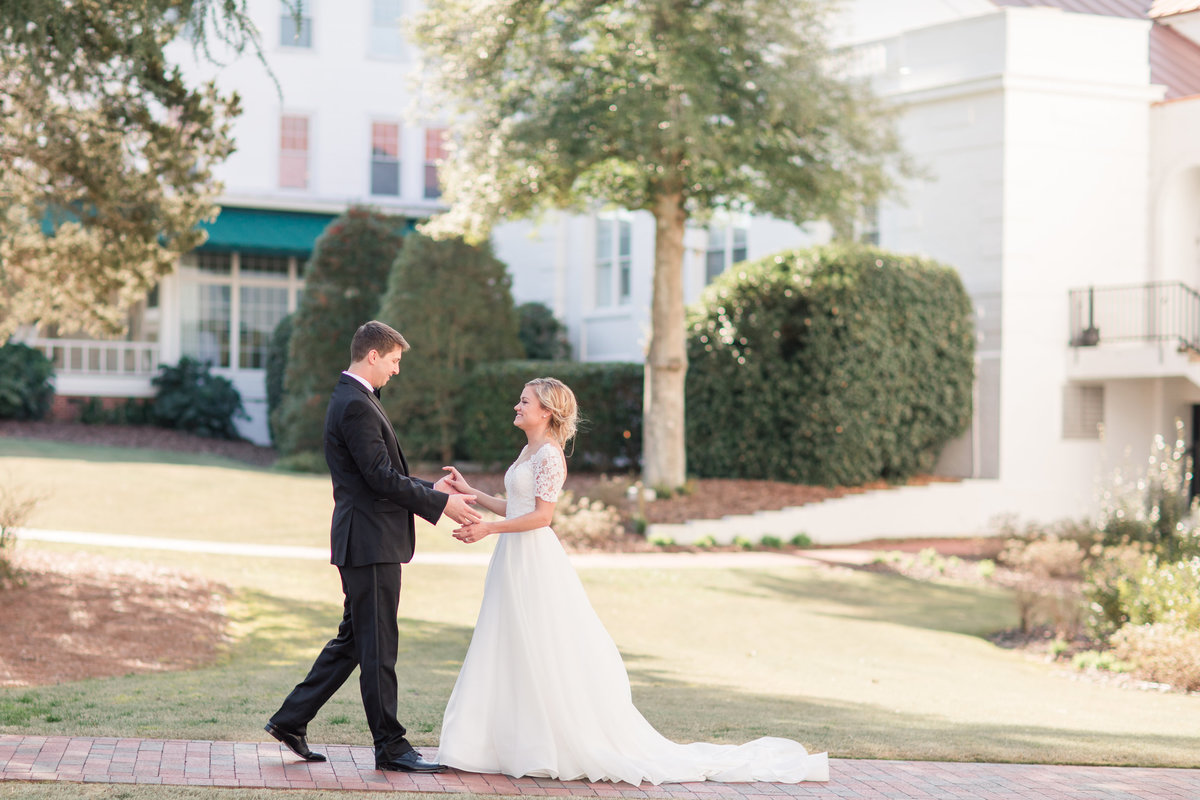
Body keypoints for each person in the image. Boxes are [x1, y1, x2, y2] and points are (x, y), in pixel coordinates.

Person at [435, 377, 828, 785]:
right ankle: (504, 744)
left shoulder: (551, 456)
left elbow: (542, 518)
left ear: (546, 411)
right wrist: (473, 494)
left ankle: (549, 744)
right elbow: (516, 504)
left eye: (524, 401)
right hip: (512, 560)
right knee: (509, 643)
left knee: (542, 644)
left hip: (533, 560)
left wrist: (488, 530)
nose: (516, 406)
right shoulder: (528, 450)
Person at [265, 320, 480, 774]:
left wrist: (431, 488)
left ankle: (290, 720)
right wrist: (441, 504)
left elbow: (379, 475)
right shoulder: (357, 404)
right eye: (395, 361)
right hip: (370, 542)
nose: (397, 371)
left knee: (355, 641)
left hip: (365, 539)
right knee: (379, 645)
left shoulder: (355, 398)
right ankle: (391, 747)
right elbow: (380, 479)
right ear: (373, 356)